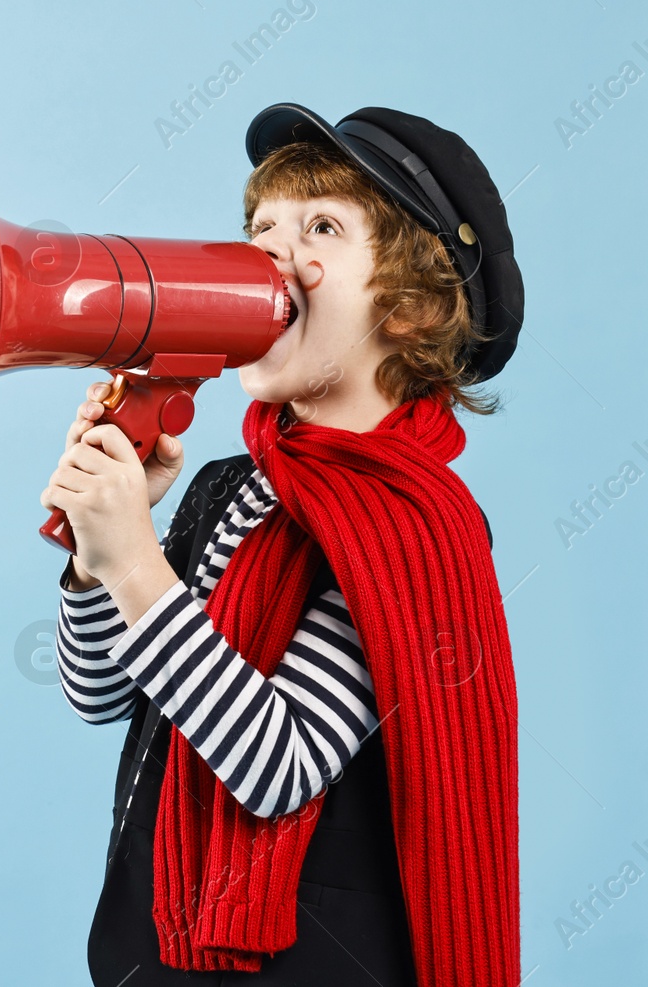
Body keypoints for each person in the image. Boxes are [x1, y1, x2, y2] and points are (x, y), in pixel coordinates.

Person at [41, 104, 525, 986]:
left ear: (410, 308)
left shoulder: (415, 526)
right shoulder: (232, 484)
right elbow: (100, 692)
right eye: (259, 227)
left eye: (321, 228)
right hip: (148, 953)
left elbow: (281, 764)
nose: (268, 251)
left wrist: (140, 568)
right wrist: (97, 556)